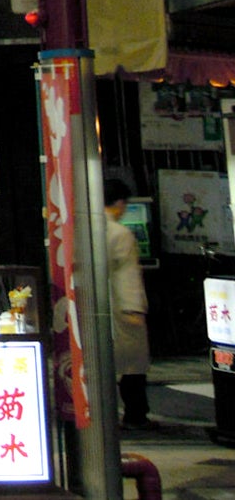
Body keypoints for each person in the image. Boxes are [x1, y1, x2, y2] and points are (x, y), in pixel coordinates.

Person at [105, 179, 152, 429]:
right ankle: (136, 415)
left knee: (108, 364)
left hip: (101, 307)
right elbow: (127, 276)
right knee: (133, 364)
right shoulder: (119, 233)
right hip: (123, 308)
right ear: (120, 203)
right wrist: (135, 308)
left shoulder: (87, 228)